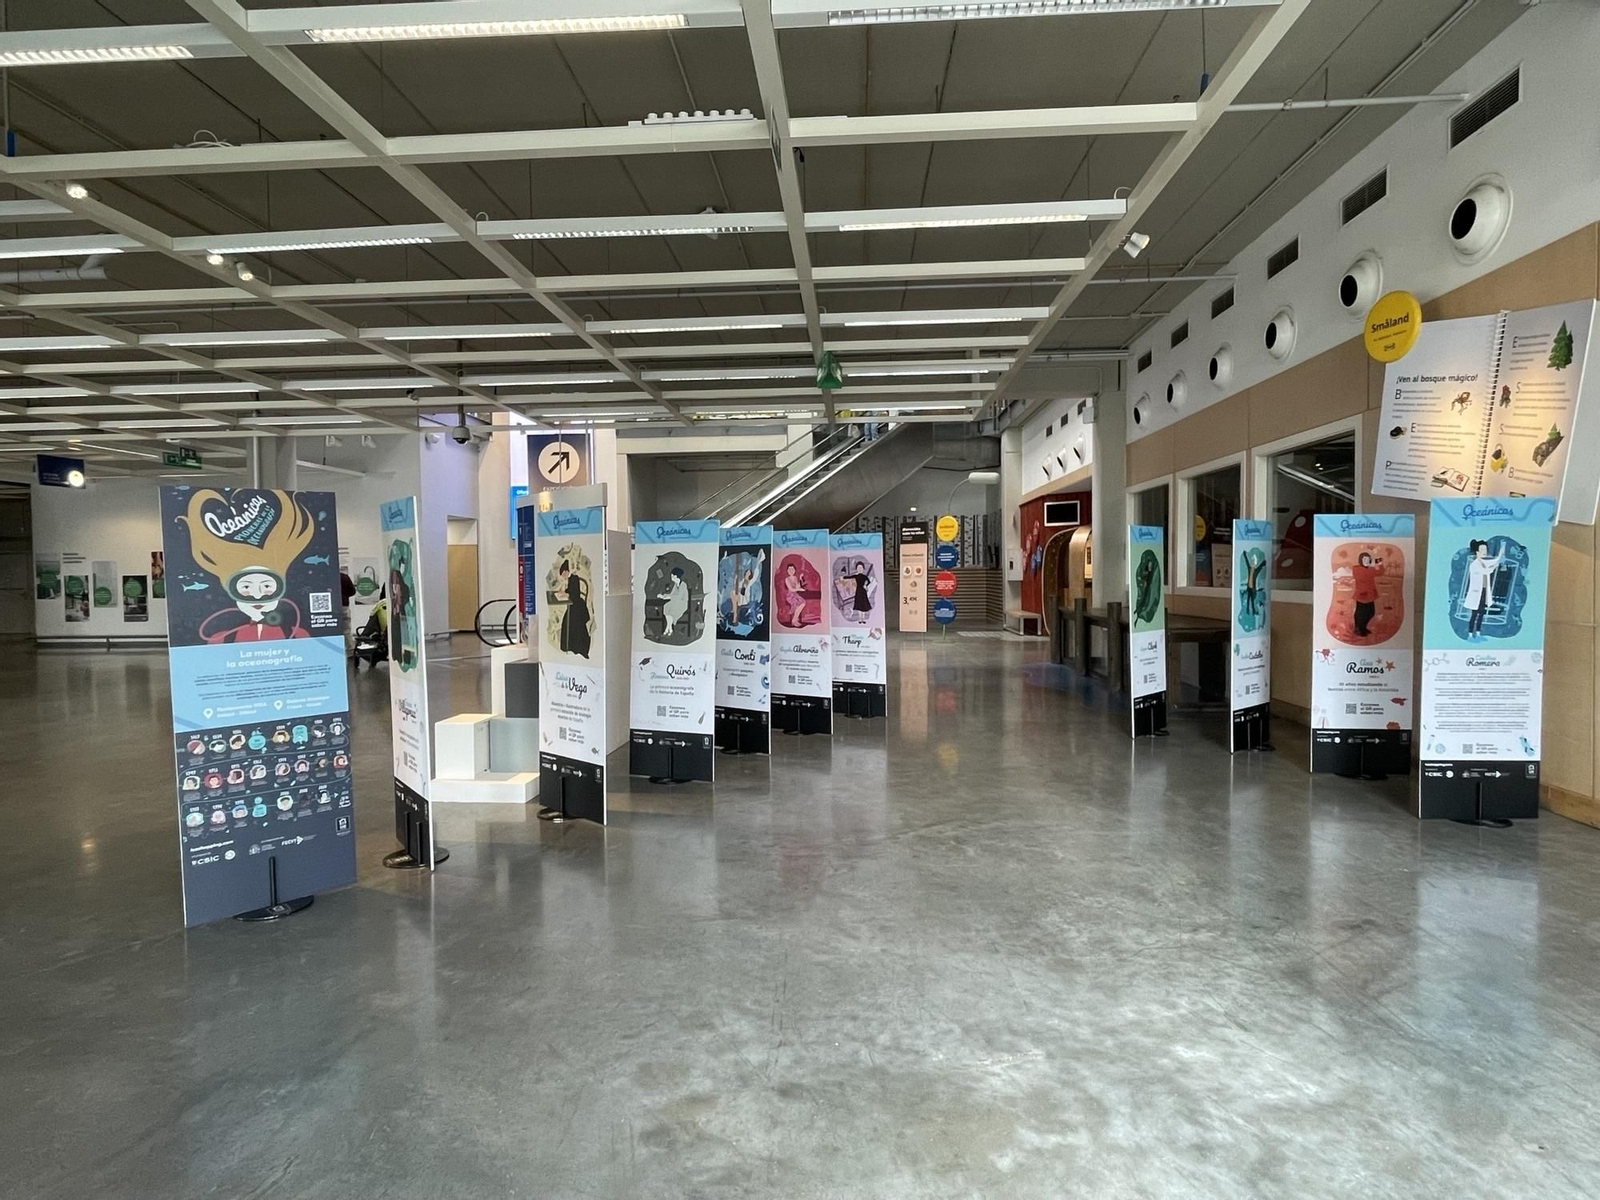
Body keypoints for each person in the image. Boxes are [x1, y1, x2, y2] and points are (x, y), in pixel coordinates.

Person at [178, 488, 315, 643]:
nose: (257, 595)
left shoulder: (299, 635)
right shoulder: (220, 640)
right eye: (246, 587)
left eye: (267, 586)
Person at [1463, 538, 1505, 640]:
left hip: (1484, 592)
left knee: (1481, 613)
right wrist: (1494, 566)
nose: (1484, 552)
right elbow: (1486, 571)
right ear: (1477, 552)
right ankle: (1470, 634)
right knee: (1474, 615)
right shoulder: (1474, 565)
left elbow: (1493, 563)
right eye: (1482, 550)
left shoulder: (1483, 563)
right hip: (1476, 593)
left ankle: (1478, 633)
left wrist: (1501, 552)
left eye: (1485, 550)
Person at [558, 559, 592, 657]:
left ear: (565, 571)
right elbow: (569, 590)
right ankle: (569, 646)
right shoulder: (570, 579)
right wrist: (564, 590)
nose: (563, 576)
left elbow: (575, 594)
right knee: (567, 621)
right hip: (573, 605)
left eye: (563, 574)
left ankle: (578, 647)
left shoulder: (575, 578)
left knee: (573, 622)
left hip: (577, 605)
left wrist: (566, 594)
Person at [1349, 550, 1381, 638]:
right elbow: (1368, 574)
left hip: (1370, 595)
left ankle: (1362, 627)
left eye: (1368, 560)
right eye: (1365, 560)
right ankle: (1359, 629)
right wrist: (1373, 565)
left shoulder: (1370, 569)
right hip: (1362, 595)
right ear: (1361, 561)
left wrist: (1380, 564)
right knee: (1361, 613)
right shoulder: (1357, 569)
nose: (1367, 562)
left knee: (1371, 612)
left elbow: (1380, 572)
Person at [658, 566, 689, 637]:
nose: (671, 577)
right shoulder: (675, 585)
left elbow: (679, 597)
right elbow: (671, 594)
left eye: (672, 575)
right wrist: (663, 596)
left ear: (676, 576)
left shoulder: (683, 585)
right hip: (675, 602)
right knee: (666, 606)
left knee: (672, 609)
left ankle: (667, 629)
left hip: (682, 604)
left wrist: (668, 597)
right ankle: (670, 629)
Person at [782, 561, 808, 628]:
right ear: (787, 571)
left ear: (795, 570)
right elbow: (791, 589)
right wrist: (800, 589)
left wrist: (800, 578)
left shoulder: (795, 578)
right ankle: (794, 620)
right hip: (790, 596)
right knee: (797, 604)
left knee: (803, 603)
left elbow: (797, 587)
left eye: (792, 569)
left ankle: (795, 618)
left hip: (795, 595)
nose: (791, 571)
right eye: (789, 569)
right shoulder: (787, 579)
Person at [339, 569, 356, 652]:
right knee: (346, 630)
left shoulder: (327, 577)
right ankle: (350, 651)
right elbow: (352, 591)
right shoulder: (344, 577)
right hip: (344, 605)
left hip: (330, 607)